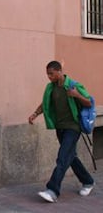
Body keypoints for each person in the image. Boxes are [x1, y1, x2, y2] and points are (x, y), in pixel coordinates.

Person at [28, 60, 95, 203]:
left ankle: (52, 190)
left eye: (51, 74)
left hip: (73, 127)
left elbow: (89, 102)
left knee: (62, 158)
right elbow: (45, 104)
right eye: (47, 74)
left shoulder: (73, 86)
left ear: (59, 71)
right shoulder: (51, 88)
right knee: (70, 157)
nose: (49, 77)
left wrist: (77, 95)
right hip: (60, 127)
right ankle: (88, 181)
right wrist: (35, 113)